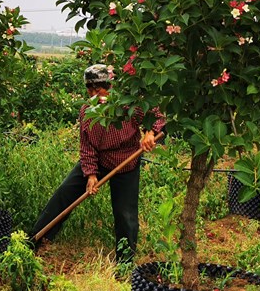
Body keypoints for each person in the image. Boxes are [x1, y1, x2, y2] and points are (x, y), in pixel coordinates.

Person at [31, 63, 165, 264]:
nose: (94, 94)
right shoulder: (87, 112)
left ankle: (125, 263)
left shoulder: (128, 107)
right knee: (63, 194)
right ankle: (34, 241)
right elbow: (87, 147)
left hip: (125, 163)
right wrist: (91, 174)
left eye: (99, 89)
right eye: (90, 89)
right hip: (99, 161)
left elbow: (157, 116)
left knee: (125, 214)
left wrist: (150, 133)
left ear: (110, 86)